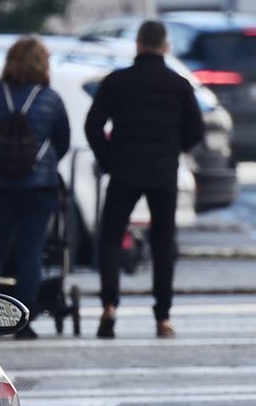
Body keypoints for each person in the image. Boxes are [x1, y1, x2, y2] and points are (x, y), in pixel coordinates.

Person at [84, 19, 203, 339]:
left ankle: (109, 307)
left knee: (110, 238)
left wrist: (108, 158)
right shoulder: (179, 85)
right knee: (163, 243)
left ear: (137, 45)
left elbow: (93, 125)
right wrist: (173, 149)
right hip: (163, 172)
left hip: (124, 170)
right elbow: (196, 131)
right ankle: (162, 316)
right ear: (166, 47)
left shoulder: (117, 82)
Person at [0, 34, 70, 340]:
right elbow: (62, 141)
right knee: (30, 252)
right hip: (38, 187)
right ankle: (23, 321)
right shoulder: (50, 98)